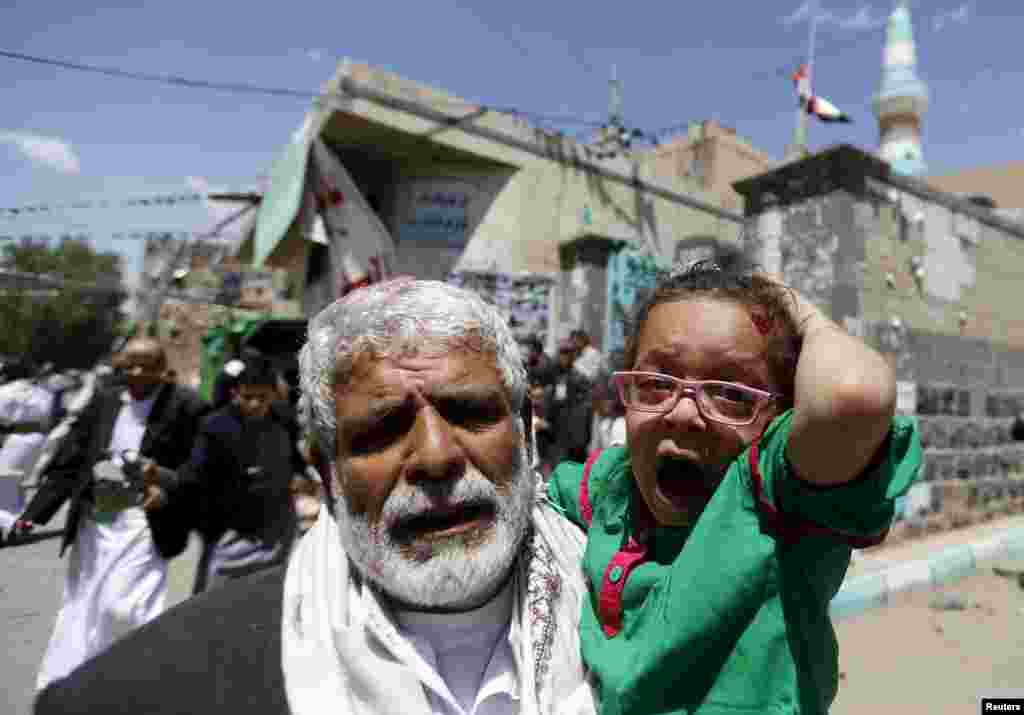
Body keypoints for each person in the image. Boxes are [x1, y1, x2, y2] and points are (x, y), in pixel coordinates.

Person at [35, 278, 597, 715]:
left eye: (470, 413)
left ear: (524, 432)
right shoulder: (147, 691)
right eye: (382, 430)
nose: (434, 458)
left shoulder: (647, 629)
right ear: (327, 473)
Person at [547, 256, 922, 715]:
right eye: (656, 383)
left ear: (784, 415)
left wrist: (793, 307)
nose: (683, 413)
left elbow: (851, 394)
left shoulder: (778, 497)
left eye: (732, 394)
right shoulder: (614, 485)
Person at [14, 338, 208, 691]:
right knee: (83, 602)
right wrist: (33, 515)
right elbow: (70, 459)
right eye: (129, 365)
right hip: (98, 516)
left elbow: (201, 467)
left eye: (145, 366)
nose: (135, 373)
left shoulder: (186, 406)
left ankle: (128, 684)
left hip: (144, 522)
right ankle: (65, 684)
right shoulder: (104, 400)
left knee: (127, 606)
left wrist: (166, 487)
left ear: (163, 370)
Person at [163, 355, 307, 593]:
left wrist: (301, 476)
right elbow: (195, 475)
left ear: (273, 394)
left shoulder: (284, 419)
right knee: (214, 601)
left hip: (276, 530)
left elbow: (295, 459)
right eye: (247, 397)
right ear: (234, 393)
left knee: (265, 596)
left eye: (262, 398)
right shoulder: (215, 427)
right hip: (230, 531)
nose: (254, 404)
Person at [548, 339, 593, 465]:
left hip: (575, 437)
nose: (564, 356)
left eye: (567, 352)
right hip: (557, 434)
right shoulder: (554, 374)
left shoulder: (580, 378)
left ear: (573, 355)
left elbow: (586, 408)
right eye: (562, 352)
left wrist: (584, 437)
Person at [588, 373, 626, 454]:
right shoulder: (604, 423)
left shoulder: (620, 424)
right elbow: (594, 447)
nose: (596, 409)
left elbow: (616, 455)